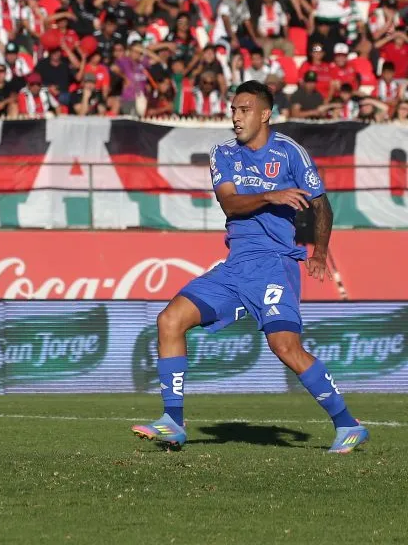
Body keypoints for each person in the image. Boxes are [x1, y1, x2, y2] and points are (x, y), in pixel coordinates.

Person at [131, 80, 369, 454]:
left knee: (285, 347)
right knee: (169, 320)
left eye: (244, 110)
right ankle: (173, 422)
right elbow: (230, 203)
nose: (236, 117)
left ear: (265, 114)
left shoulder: (290, 152)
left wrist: (320, 253)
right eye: (233, 110)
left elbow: (321, 204)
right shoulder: (223, 153)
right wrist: (271, 195)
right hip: (234, 268)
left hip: (275, 265)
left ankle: (347, 425)